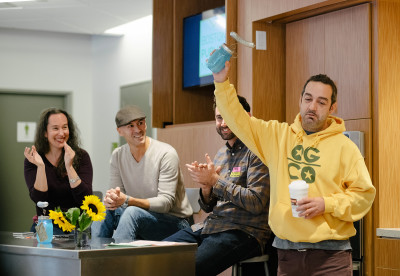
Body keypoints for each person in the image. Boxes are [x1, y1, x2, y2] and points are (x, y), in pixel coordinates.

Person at [212, 61, 376, 275]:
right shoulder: (277, 136)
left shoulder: (345, 147)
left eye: (321, 102)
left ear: (332, 108)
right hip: (287, 256)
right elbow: (238, 119)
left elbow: (364, 196)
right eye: (308, 99)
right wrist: (221, 82)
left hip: (331, 258)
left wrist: (326, 204)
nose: (312, 107)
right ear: (300, 100)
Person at [164, 95, 272, 276]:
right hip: (210, 227)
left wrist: (215, 181)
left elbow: (256, 202)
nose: (223, 123)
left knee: (187, 269)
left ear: (247, 116)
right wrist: (206, 186)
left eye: (229, 116)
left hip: (244, 232)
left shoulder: (258, 151)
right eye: (219, 117)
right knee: (156, 255)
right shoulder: (222, 153)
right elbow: (208, 206)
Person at [93, 105, 192, 242]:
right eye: (130, 126)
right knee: (102, 210)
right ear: (119, 131)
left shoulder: (166, 153)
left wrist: (128, 200)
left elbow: (166, 203)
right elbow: (117, 196)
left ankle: (117, 262)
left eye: (140, 123)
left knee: (132, 212)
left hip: (174, 223)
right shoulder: (118, 155)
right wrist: (112, 200)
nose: (138, 130)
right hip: (139, 217)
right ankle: (94, 259)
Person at [24, 108, 93, 235]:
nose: (61, 133)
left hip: (76, 226)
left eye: (65, 127)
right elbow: (39, 200)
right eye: (55, 128)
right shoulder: (34, 159)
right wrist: (41, 167)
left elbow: (85, 199)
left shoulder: (81, 156)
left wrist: (69, 166)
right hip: (46, 224)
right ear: (45, 133)